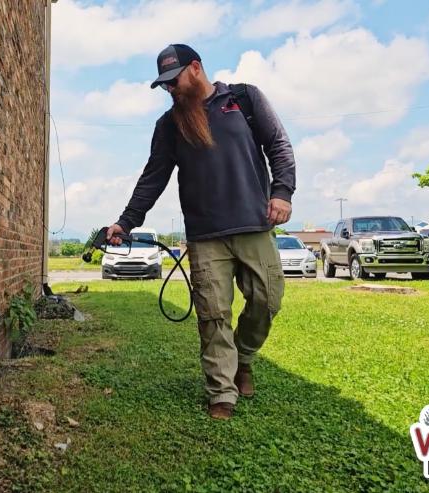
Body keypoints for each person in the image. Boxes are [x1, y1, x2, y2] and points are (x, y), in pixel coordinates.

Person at [104, 44, 296, 420]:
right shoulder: (169, 125)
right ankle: (221, 392)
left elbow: (279, 146)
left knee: (267, 300)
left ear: (195, 68)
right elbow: (153, 178)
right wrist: (126, 221)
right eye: (163, 85)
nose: (169, 90)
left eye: (173, 81)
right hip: (205, 235)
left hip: (255, 224)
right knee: (213, 314)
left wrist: (282, 192)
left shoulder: (244, 99)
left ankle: (243, 359)